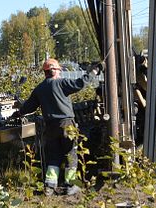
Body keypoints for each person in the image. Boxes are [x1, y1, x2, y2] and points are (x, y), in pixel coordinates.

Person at [15, 58, 102, 196]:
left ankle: (50, 186)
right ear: (54, 71)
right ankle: (71, 184)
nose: (60, 73)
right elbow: (80, 83)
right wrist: (94, 72)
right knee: (71, 154)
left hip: (50, 126)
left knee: (53, 156)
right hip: (66, 124)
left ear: (45, 72)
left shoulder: (40, 89)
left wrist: (18, 112)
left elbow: (28, 107)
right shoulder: (61, 83)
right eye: (59, 70)